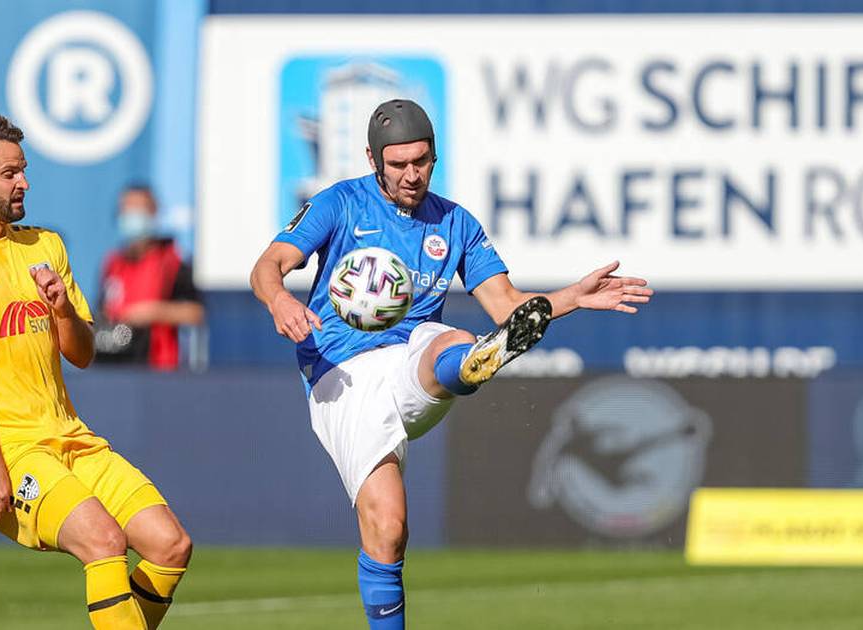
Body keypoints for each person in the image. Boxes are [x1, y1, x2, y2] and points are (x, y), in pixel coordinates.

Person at [249, 99, 653, 629]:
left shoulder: (455, 222)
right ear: (373, 159)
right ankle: (471, 361)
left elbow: (510, 307)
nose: (412, 174)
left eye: (423, 161)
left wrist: (573, 296)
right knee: (389, 528)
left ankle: (476, 360)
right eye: (399, 164)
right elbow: (268, 266)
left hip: (414, 362)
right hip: (340, 375)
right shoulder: (339, 203)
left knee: (451, 338)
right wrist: (280, 300)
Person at [0, 115, 191, 630]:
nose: (24, 182)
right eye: (10, 173)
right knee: (104, 541)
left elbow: (82, 353)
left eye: (24, 170)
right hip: (10, 453)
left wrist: (62, 309)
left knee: (171, 545)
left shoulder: (45, 246)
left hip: (72, 440)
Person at [96, 185, 204, 370]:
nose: (132, 216)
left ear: (153, 213)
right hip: (116, 365)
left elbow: (196, 312)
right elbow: (102, 311)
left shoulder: (173, 261)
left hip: (158, 367)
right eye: (126, 210)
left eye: (138, 210)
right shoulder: (113, 263)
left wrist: (152, 312)